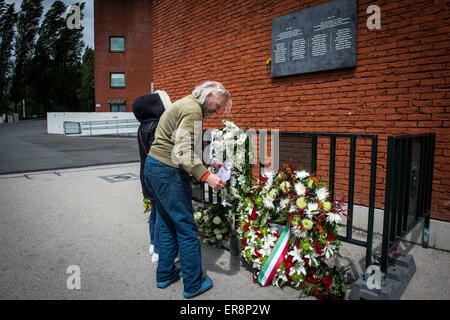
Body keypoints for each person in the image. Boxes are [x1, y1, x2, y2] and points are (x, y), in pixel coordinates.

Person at [144, 81, 231, 299]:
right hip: (168, 172)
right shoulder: (193, 110)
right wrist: (206, 176)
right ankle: (193, 285)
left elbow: (181, 144)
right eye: (217, 106)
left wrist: (209, 163)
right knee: (186, 229)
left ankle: (164, 275)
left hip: (154, 168)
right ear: (209, 94)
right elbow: (182, 150)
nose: (216, 111)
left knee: (166, 224)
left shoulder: (185, 104)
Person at [132, 90, 172, 264]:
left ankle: (152, 244)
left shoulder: (143, 126)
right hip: (157, 175)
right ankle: (158, 250)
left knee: (154, 210)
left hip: (145, 173)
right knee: (161, 213)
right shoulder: (157, 126)